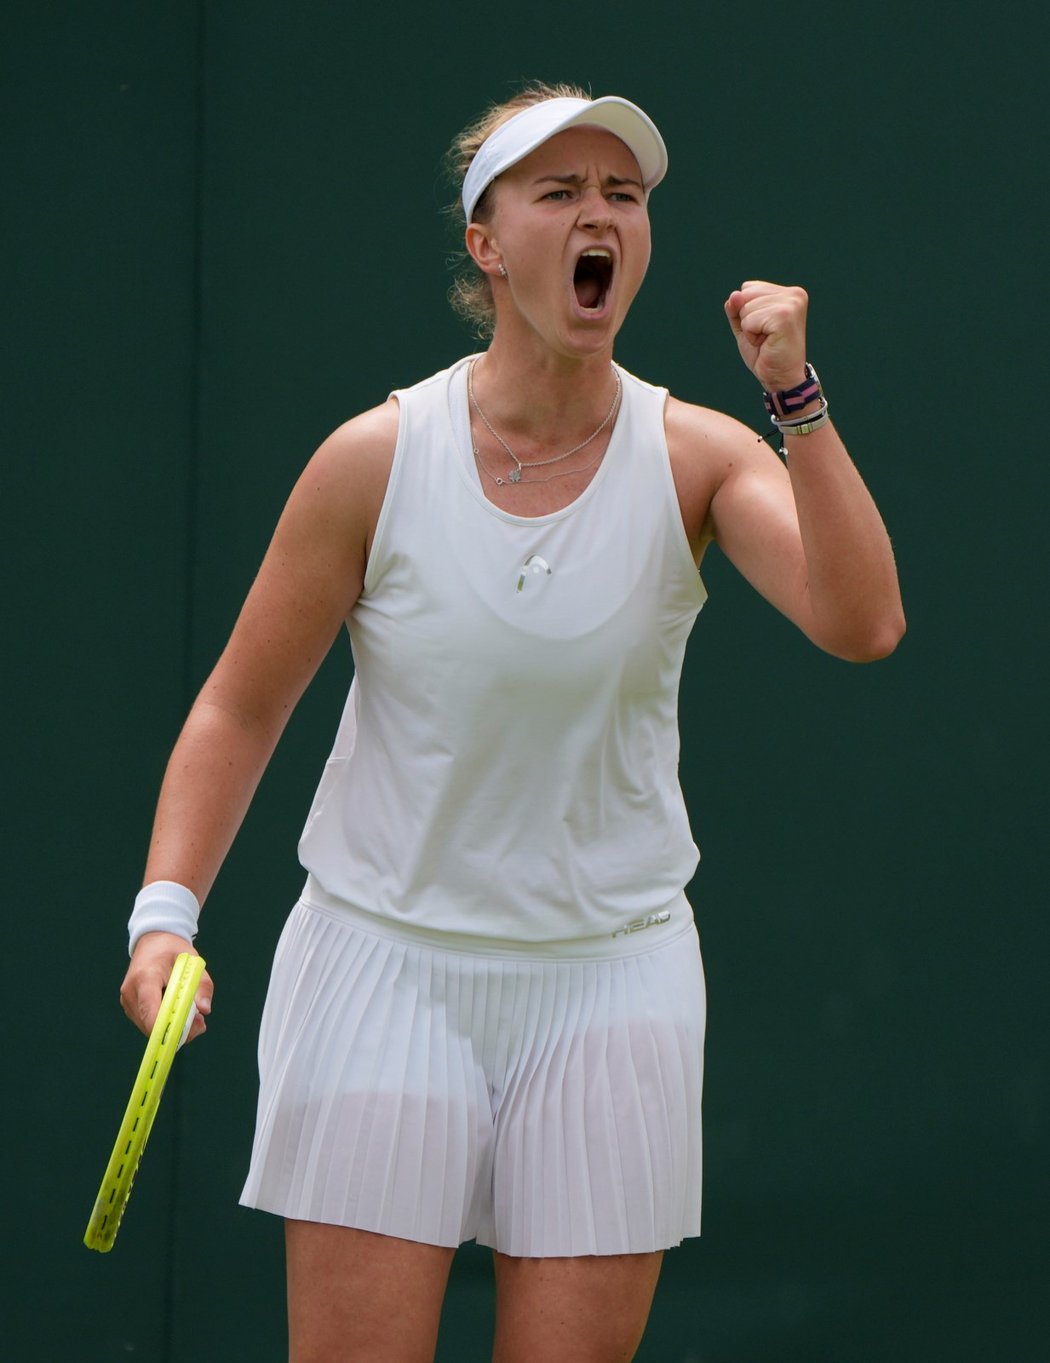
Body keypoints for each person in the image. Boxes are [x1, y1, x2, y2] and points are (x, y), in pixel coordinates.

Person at [119, 82, 905, 1363]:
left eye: (624, 195)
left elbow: (861, 621)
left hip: (613, 985)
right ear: (488, 243)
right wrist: (166, 918)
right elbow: (239, 705)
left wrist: (797, 397)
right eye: (560, 191)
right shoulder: (373, 459)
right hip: (382, 968)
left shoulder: (698, 453)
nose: (601, 214)